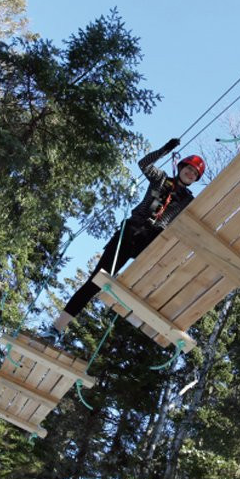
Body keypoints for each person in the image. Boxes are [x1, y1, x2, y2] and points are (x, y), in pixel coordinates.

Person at [52, 138, 206, 333]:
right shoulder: (161, 179)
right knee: (96, 281)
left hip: (151, 241)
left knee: (145, 285)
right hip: (130, 233)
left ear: (195, 179)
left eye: (194, 173)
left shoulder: (188, 201)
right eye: (189, 168)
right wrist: (165, 149)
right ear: (182, 167)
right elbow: (144, 164)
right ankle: (58, 326)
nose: (190, 173)